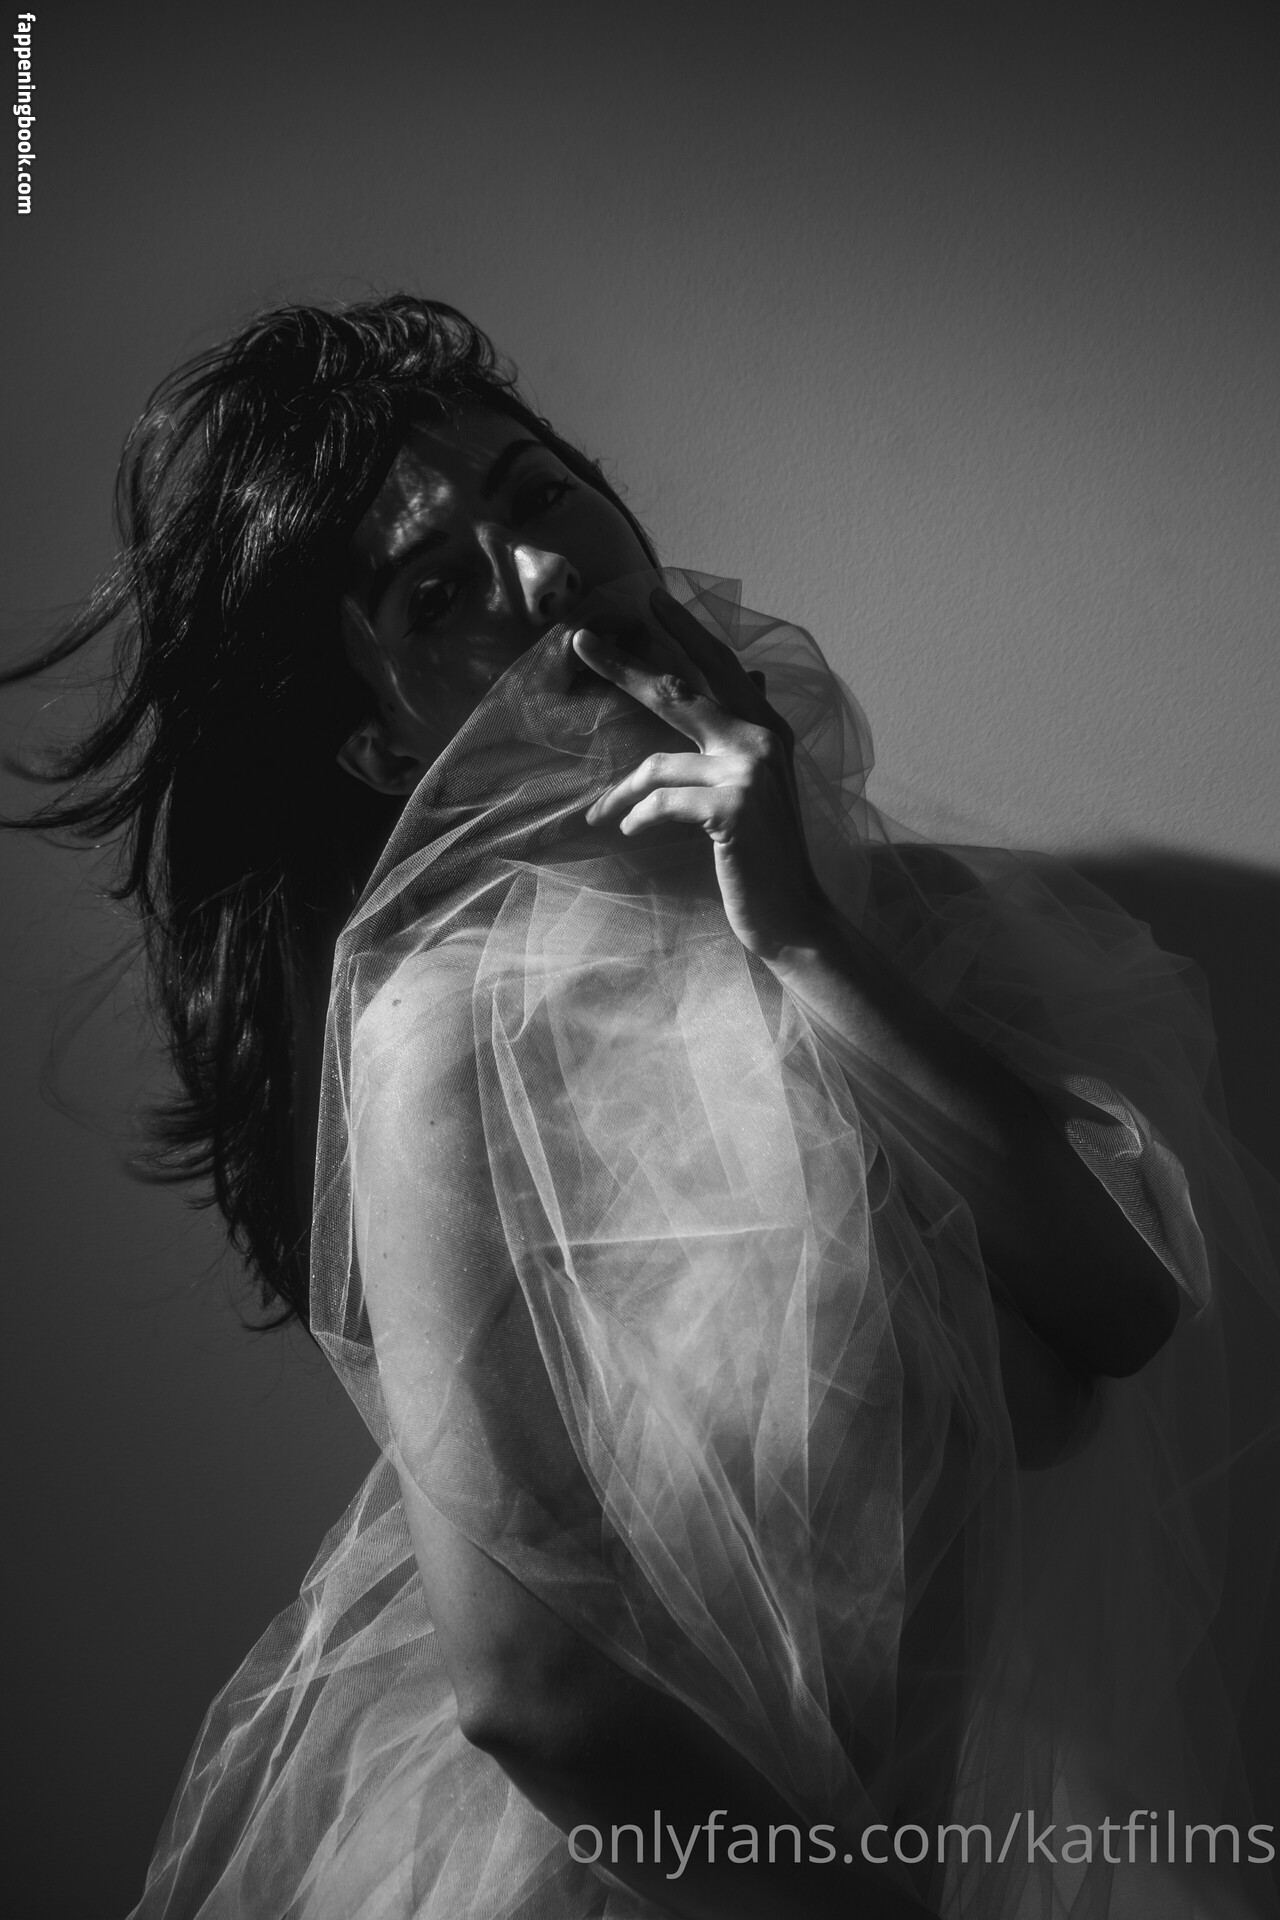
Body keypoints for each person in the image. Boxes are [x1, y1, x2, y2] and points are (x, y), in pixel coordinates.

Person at [6, 295, 1278, 1920]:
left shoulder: (912, 927)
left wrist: (798, 934)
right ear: (381, 746)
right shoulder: (444, 1033)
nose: (544, 576)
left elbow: (1124, 1308)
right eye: (438, 592)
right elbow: (533, 1690)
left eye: (542, 497)